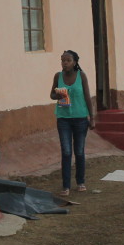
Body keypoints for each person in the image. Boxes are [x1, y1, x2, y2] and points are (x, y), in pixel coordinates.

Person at [50, 50, 95, 196]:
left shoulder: (81, 76)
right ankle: (66, 185)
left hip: (81, 118)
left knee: (79, 151)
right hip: (63, 119)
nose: (64, 63)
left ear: (75, 62)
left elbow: (87, 97)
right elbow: (51, 95)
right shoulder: (58, 76)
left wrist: (92, 117)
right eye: (62, 60)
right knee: (66, 151)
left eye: (68, 60)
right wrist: (58, 94)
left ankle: (80, 181)